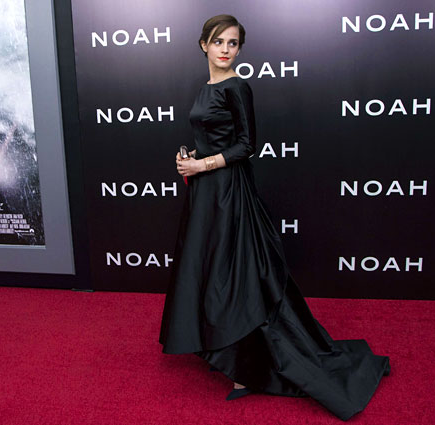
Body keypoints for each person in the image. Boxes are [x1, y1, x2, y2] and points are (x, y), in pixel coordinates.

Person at [159, 14, 390, 421]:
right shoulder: (206, 88)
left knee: (236, 276)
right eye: (219, 41)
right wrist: (191, 158)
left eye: (233, 43)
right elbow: (215, 139)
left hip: (229, 193)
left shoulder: (237, 87)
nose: (226, 49)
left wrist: (202, 165)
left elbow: (247, 145)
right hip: (206, 194)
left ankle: (246, 367)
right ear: (203, 45)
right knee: (212, 271)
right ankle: (223, 350)